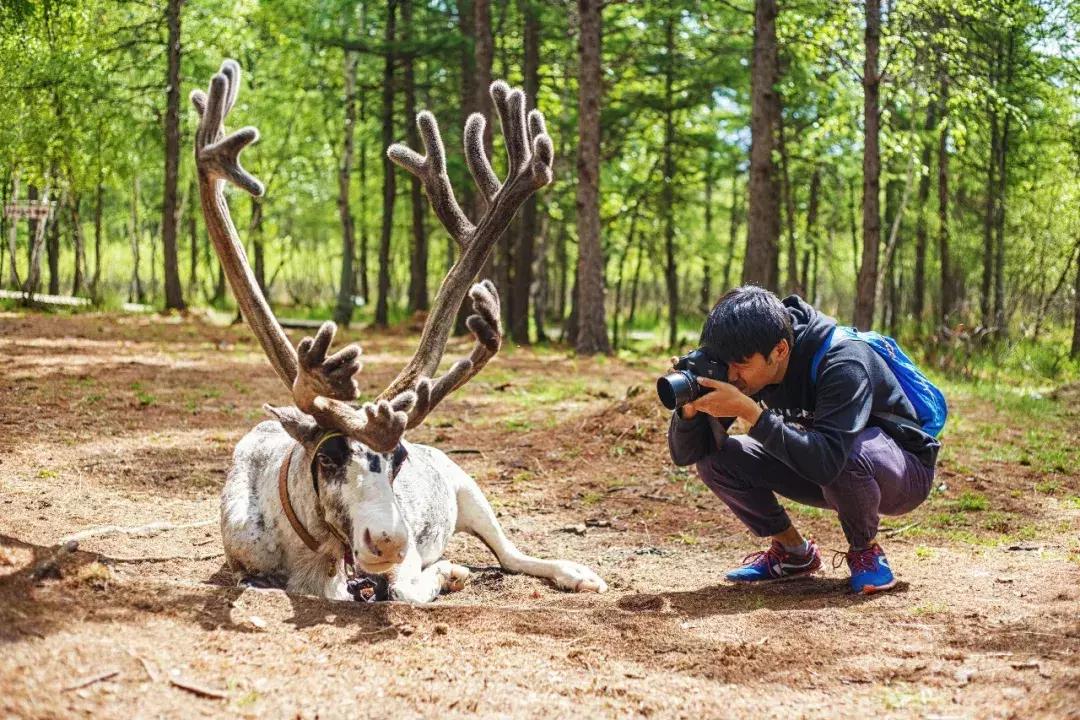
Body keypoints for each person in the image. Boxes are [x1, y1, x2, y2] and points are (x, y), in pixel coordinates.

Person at [667, 286, 940, 594]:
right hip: (829, 468)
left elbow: (828, 460)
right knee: (716, 457)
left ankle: (866, 551)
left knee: (844, 454)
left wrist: (752, 414)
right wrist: (689, 412)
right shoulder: (745, 365)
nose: (732, 375)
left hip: (901, 473)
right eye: (726, 363)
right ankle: (793, 553)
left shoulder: (844, 361)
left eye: (740, 365)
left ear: (780, 350)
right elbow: (688, 454)